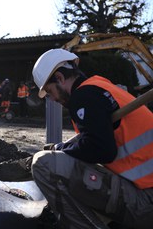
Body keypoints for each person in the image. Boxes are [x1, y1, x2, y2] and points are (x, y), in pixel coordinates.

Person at [29, 48, 153, 228]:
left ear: (60, 78)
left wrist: (63, 149)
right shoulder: (99, 87)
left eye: (49, 92)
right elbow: (96, 142)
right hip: (145, 193)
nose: (53, 99)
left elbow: (101, 149)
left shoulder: (83, 96)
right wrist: (68, 146)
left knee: (43, 164)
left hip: (146, 202)